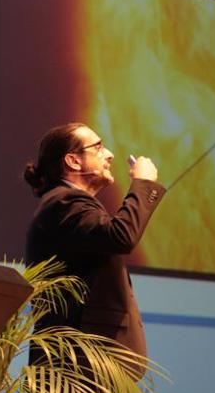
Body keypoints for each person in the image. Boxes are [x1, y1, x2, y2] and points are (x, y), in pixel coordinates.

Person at [24, 122, 165, 379]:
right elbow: (121, 236)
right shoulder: (65, 203)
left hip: (86, 364)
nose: (109, 154)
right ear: (73, 162)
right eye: (98, 147)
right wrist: (143, 184)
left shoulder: (70, 205)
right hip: (80, 366)